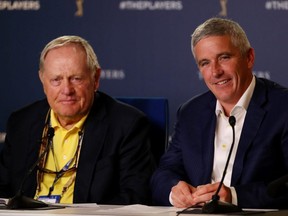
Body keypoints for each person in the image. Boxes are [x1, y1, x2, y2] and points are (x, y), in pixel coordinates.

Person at [150, 17, 288, 209]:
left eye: (224, 58)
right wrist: (174, 191)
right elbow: (163, 173)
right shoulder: (191, 112)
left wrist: (234, 196)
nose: (215, 72)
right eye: (205, 63)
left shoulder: (283, 107)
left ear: (249, 58)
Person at [0, 35, 155, 204]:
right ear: (42, 81)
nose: (67, 90)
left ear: (95, 79)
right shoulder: (21, 122)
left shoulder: (126, 125)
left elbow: (134, 196)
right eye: (56, 80)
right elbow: (4, 189)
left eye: (76, 78)